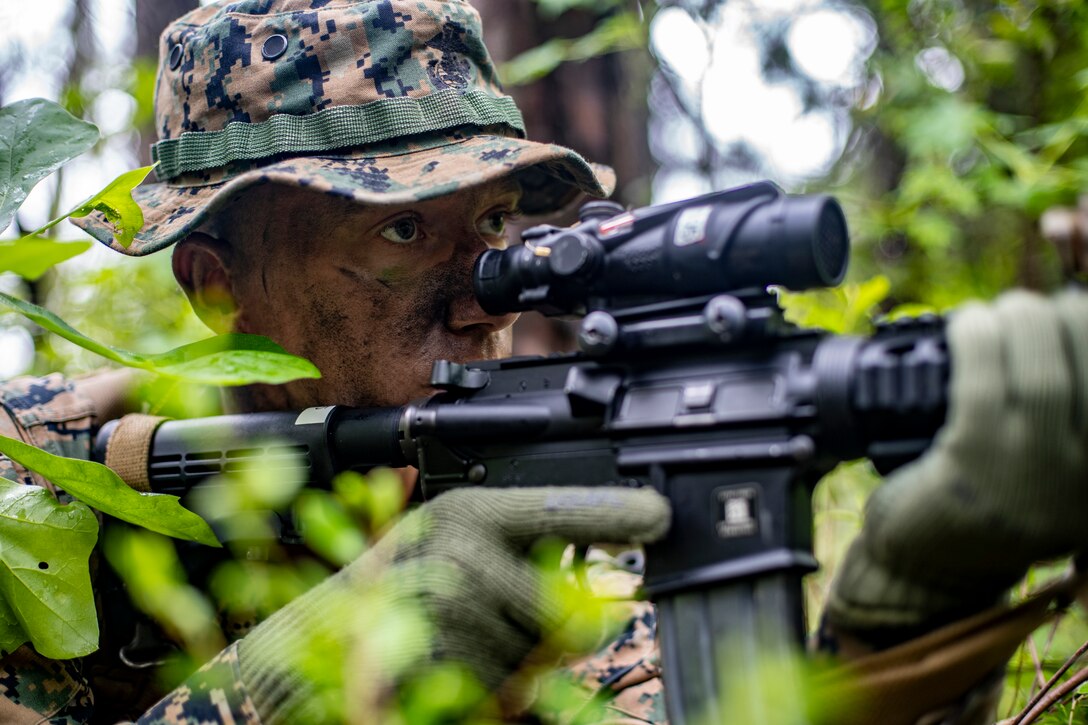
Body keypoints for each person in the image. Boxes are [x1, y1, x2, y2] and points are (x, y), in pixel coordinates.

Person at [0, 1, 1084, 724]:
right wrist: (288, 683)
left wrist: (911, 611)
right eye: (398, 231)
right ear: (217, 285)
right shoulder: (30, 494)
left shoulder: (559, 534)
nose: (484, 290)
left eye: (497, 224)